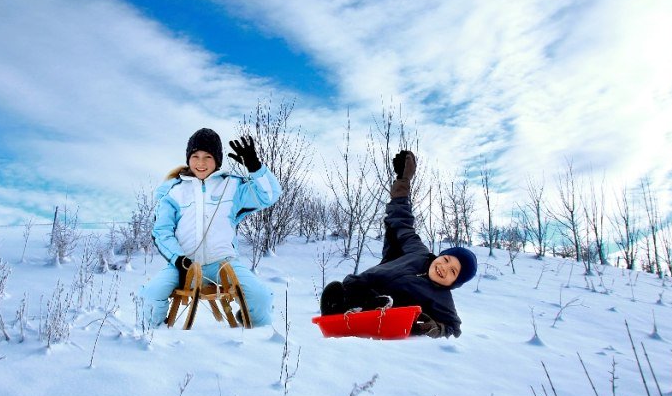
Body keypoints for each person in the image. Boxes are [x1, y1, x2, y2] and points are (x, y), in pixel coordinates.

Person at [319, 150, 477, 338]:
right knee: (333, 290)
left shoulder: (442, 298)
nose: (444, 267)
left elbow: (454, 328)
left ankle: (368, 312)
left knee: (389, 302)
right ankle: (342, 320)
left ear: (454, 283)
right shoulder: (418, 252)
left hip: (389, 310)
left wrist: (436, 327)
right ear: (440, 255)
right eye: (446, 259)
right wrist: (403, 181)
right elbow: (402, 221)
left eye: (453, 271)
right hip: (358, 290)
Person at [138, 128, 281, 327]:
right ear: (188, 158)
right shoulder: (175, 192)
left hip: (223, 264)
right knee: (151, 294)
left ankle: (257, 335)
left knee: (261, 297)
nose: (201, 163)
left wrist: (255, 168)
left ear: (218, 160)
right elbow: (162, 232)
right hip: (184, 266)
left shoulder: (232, 186)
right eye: (195, 156)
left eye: (208, 156)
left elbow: (269, 195)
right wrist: (178, 260)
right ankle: (153, 337)